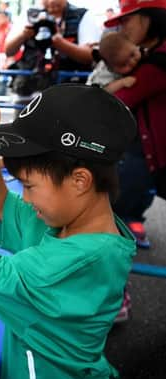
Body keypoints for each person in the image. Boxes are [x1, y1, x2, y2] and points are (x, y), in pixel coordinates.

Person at [0, 84, 137, 379]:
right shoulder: (70, 225)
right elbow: (0, 206)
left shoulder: (82, 260)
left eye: (29, 186)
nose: (26, 199)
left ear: (79, 180)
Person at [105, 0, 166, 252]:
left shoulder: (157, 63)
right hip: (146, 149)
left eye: (127, 19)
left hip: (152, 153)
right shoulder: (149, 56)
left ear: (148, 18)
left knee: (125, 185)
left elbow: (121, 101)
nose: (123, 27)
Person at [5, 0, 100, 96]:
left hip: (69, 90)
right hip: (29, 88)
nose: (51, 1)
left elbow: (90, 56)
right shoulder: (29, 14)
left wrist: (60, 43)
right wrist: (24, 35)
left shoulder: (82, 15)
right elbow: (8, 50)